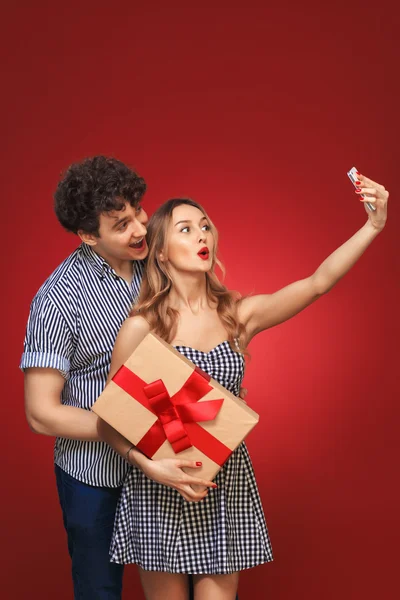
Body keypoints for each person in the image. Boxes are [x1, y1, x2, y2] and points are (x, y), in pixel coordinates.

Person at [97, 172, 389, 600]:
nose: (202, 235)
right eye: (186, 228)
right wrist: (149, 467)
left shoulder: (238, 315)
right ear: (159, 253)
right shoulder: (140, 329)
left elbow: (317, 284)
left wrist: (373, 226)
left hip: (224, 485)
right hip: (158, 487)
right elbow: (109, 423)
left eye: (205, 226)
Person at [21, 156, 218, 600]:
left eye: (138, 213)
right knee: (100, 592)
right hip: (94, 476)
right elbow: (41, 413)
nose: (140, 229)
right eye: (120, 224)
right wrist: (134, 429)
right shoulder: (58, 298)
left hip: (174, 466)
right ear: (88, 235)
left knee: (202, 579)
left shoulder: (160, 265)